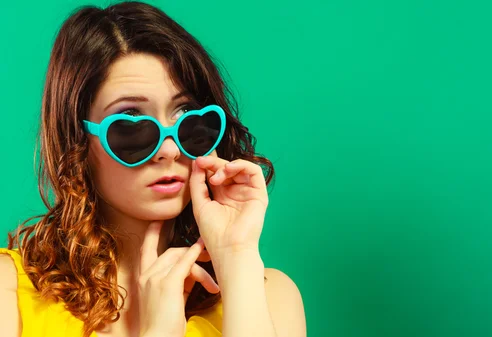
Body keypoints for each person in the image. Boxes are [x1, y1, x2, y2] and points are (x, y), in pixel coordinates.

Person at [0, 2, 306, 337]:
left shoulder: (269, 296)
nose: (170, 150)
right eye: (131, 125)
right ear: (77, 140)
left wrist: (237, 256)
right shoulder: (9, 293)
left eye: (186, 116)